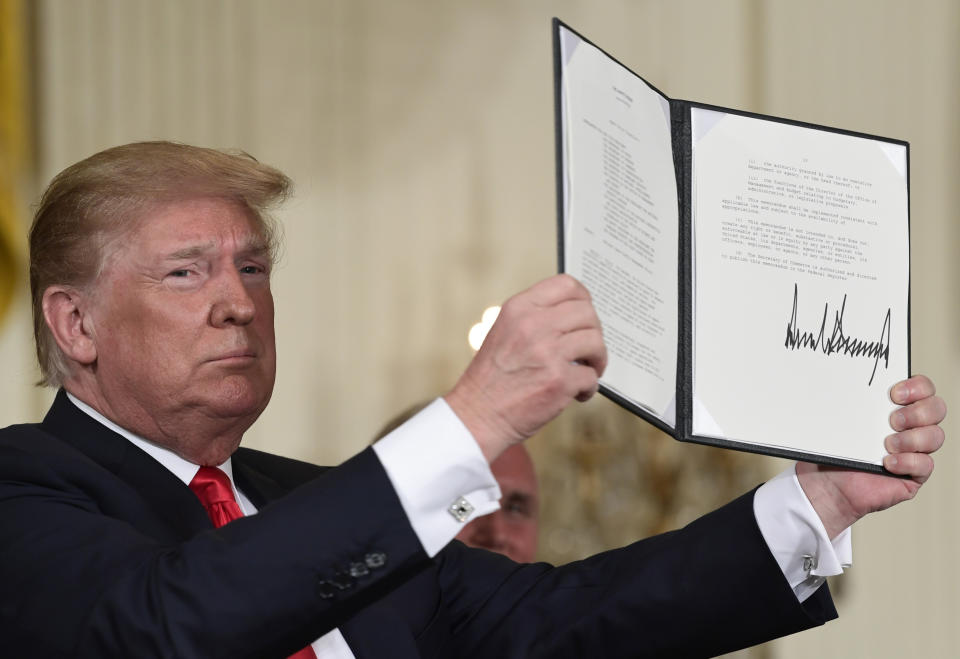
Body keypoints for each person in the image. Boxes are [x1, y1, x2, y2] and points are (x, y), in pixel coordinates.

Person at [0, 141, 945, 659]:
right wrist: (475, 417)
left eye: (253, 266)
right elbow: (174, 623)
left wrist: (816, 503)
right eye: (185, 271)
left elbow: (572, 620)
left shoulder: (316, 502)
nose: (239, 301)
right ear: (74, 324)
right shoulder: (23, 491)